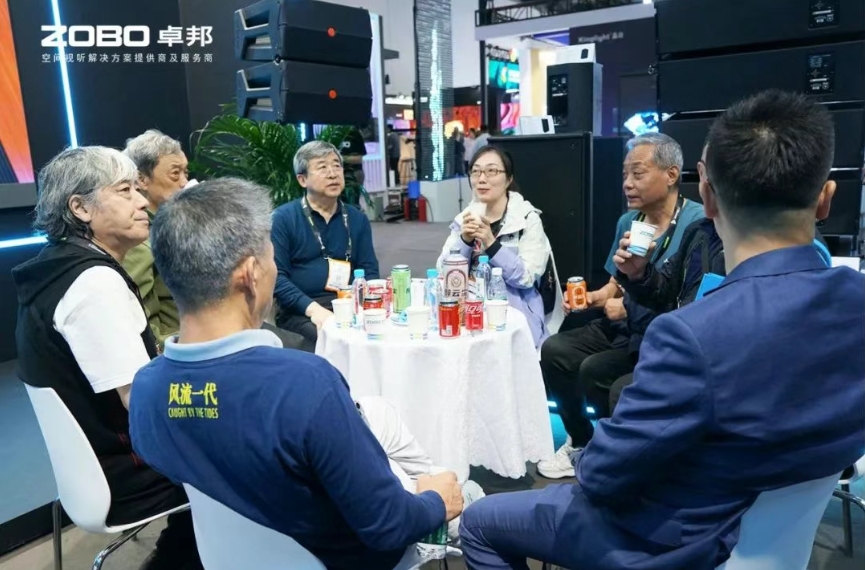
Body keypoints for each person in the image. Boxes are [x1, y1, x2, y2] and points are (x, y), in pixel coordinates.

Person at [458, 89, 865, 570]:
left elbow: (603, 476)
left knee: (478, 521)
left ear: (706, 195)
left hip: (672, 539)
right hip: (774, 536)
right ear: (825, 198)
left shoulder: (693, 335)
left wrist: (590, 457)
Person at [128, 178, 476, 570]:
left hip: (232, 554)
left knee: (378, 414)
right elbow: (388, 526)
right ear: (250, 272)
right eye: (271, 256)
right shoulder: (304, 385)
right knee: (465, 492)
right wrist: (435, 500)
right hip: (343, 556)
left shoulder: (146, 389)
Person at [12, 147, 202, 570]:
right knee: (244, 445)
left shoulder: (54, 269)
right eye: (124, 190)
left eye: (138, 189)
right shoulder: (94, 285)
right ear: (80, 208)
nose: (141, 201)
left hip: (91, 466)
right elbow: (144, 405)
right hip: (125, 474)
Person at [537, 133, 704, 478]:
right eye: (625, 174)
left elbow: (691, 298)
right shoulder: (629, 222)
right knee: (555, 350)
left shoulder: (696, 225)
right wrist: (594, 298)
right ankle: (581, 440)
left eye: (638, 174)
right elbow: (617, 283)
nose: (627, 183)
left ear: (671, 174)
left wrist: (626, 308)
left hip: (659, 330)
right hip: (623, 326)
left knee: (594, 371)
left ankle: (613, 454)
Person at [122, 129, 307, 352]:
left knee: (298, 345)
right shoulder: (138, 239)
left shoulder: (188, 224)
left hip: (227, 325)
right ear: (142, 179)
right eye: (175, 174)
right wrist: (179, 348)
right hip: (192, 341)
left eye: (185, 172)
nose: (184, 182)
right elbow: (143, 322)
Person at [437, 146, 553, 348]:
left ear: (508, 179)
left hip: (514, 320)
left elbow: (527, 277)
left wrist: (492, 245)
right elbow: (442, 273)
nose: (482, 179)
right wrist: (465, 241)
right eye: (476, 171)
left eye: (491, 171)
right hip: (468, 317)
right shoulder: (464, 219)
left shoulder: (527, 219)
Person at [272, 140, 380, 351]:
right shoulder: (283, 219)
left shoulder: (356, 218)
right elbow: (277, 278)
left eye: (336, 166)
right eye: (322, 167)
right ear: (302, 179)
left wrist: (367, 308)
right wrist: (314, 310)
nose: (333, 174)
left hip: (350, 305)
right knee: (334, 340)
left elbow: (370, 270)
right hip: (303, 310)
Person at [340, 126, 367, 205]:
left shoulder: (354, 134)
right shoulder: (332, 134)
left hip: (353, 173)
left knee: (352, 203)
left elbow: (358, 159)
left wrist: (340, 158)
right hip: (337, 173)